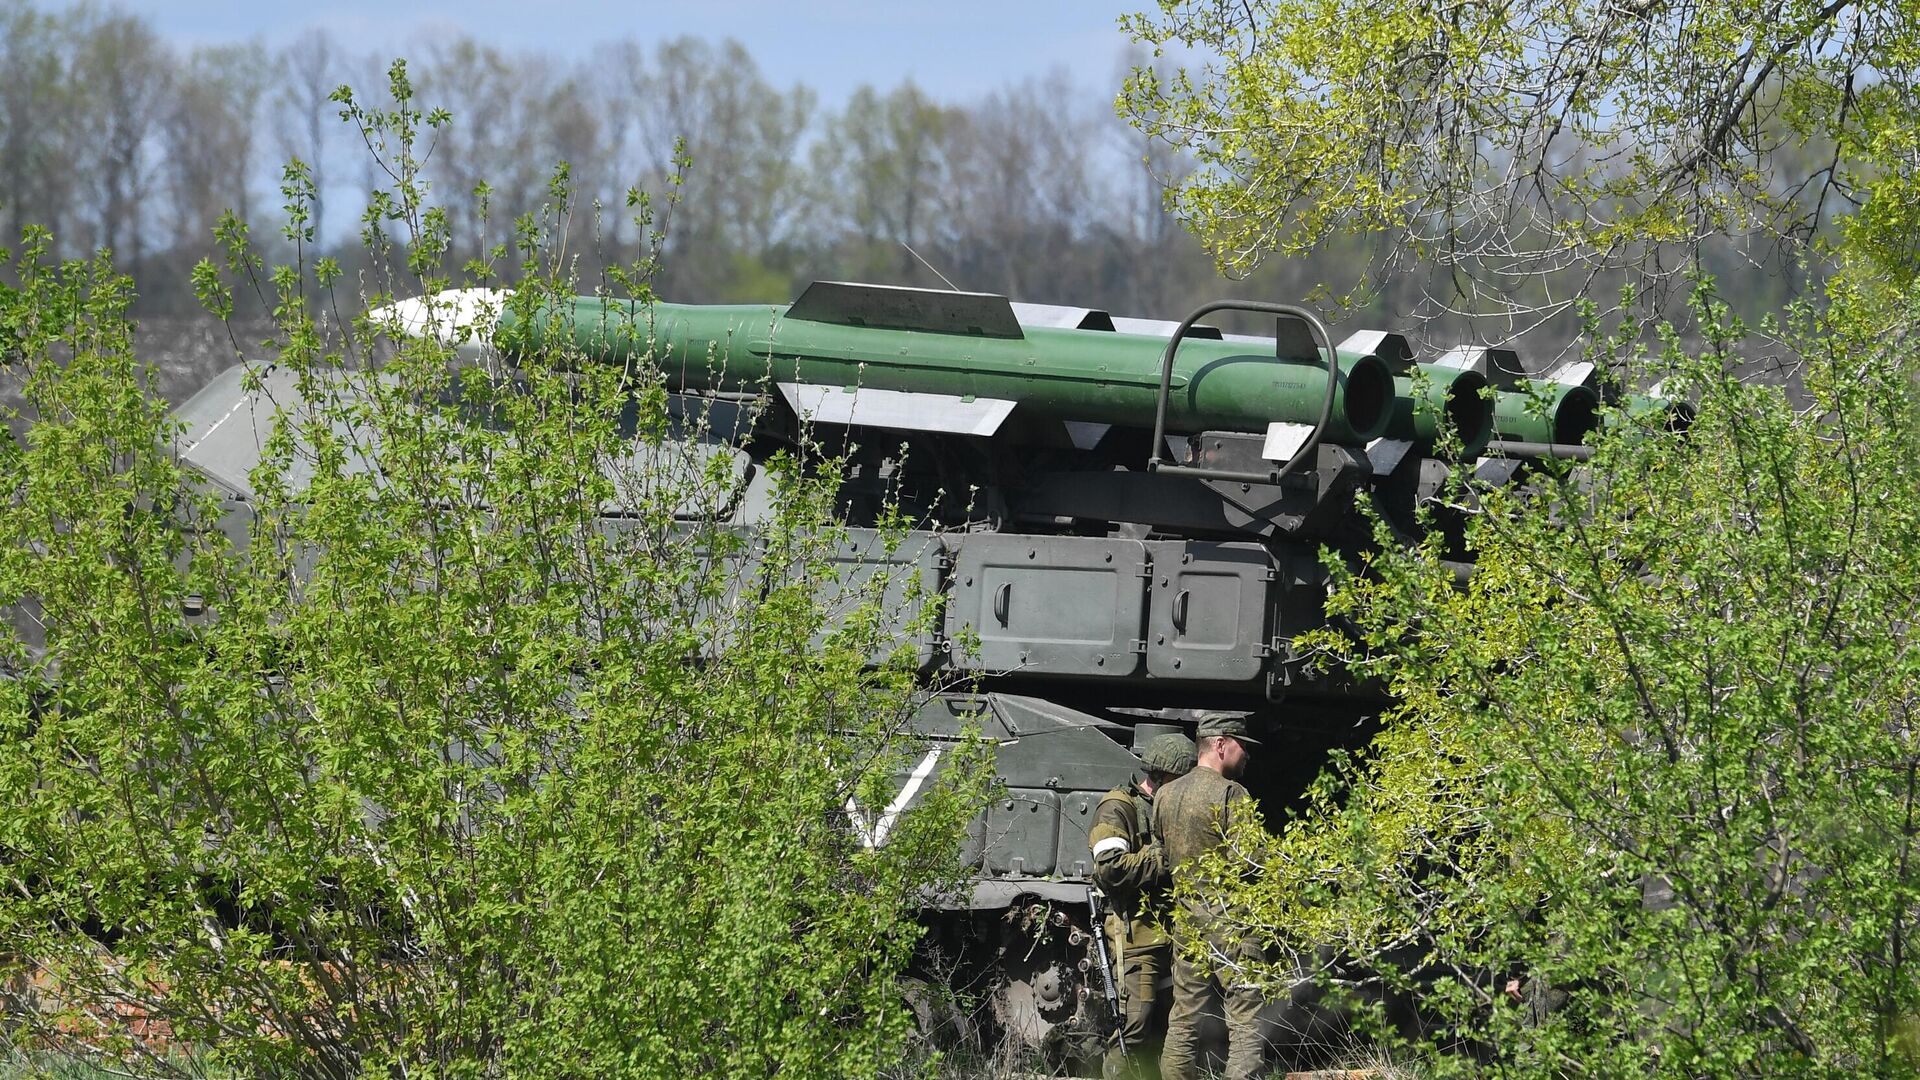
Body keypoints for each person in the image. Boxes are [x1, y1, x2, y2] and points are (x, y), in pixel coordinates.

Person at [1152, 710, 1269, 1080]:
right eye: (1241, 746)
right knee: (1245, 1019)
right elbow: (1254, 862)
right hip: (1230, 922)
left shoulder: (1165, 795)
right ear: (1220, 745)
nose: (1246, 754)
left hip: (1187, 922)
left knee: (1183, 1018)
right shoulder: (1231, 794)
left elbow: (1160, 855)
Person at [1088, 733, 1196, 1079]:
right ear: (1164, 777)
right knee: (1133, 1026)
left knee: (1172, 1030)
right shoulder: (1119, 807)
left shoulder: (1169, 807)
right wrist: (1165, 858)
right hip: (1135, 936)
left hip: (1173, 934)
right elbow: (1109, 869)